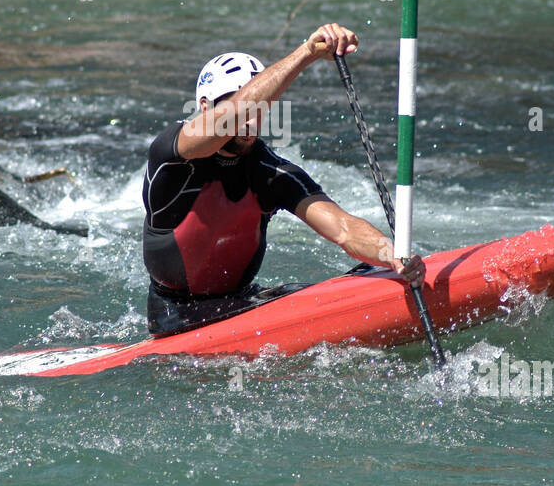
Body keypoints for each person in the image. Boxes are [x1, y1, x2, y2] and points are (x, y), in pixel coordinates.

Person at [141, 23, 425, 337]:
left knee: (369, 272)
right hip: (176, 319)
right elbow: (231, 116)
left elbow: (344, 229)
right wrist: (307, 52)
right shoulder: (173, 155)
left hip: (242, 305)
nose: (252, 119)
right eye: (243, 104)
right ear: (206, 107)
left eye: (262, 107)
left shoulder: (269, 171)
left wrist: (394, 256)